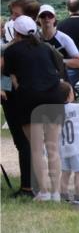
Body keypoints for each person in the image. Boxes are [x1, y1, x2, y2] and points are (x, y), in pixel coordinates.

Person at [1, 16, 66, 201]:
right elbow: (56, 71)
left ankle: (43, 192)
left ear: (16, 32)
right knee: (53, 148)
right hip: (54, 97)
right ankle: (56, 193)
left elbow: (10, 79)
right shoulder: (46, 48)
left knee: (36, 148)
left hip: (30, 99)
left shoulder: (11, 51)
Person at [1, 0, 40, 197]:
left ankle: (28, 187)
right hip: (18, 94)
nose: (12, 19)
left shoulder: (28, 43)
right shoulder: (24, 42)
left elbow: (7, 70)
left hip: (19, 96)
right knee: (24, 141)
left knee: (24, 141)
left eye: (16, 15)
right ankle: (32, 184)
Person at [37, 4, 79, 70]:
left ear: (55, 18)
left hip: (59, 78)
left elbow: (78, 62)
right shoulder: (34, 38)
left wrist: (58, 61)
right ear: (38, 19)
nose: (47, 18)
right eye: (43, 15)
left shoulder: (64, 38)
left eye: (50, 15)